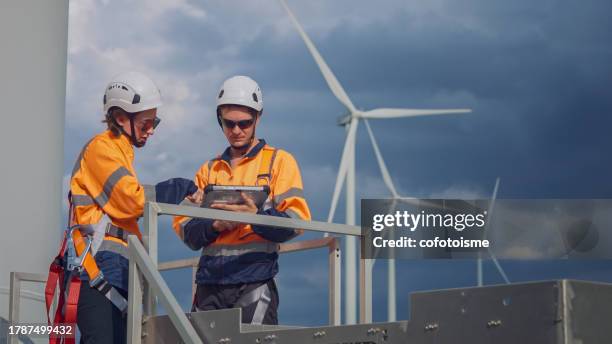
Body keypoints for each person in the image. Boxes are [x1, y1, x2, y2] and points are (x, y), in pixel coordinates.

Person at [67, 72, 202, 343]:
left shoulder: (120, 152)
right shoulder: (101, 149)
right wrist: (178, 187)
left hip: (116, 271)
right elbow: (131, 201)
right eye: (146, 123)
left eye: (155, 122)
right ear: (120, 118)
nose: (151, 129)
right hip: (96, 271)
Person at [173, 75, 311, 325]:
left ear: (258, 118)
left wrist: (254, 218)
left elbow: (297, 221)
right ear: (220, 120)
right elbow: (184, 229)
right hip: (209, 283)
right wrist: (215, 225)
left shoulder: (279, 162)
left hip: (254, 279)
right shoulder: (209, 169)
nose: (236, 130)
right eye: (229, 123)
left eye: (245, 123)